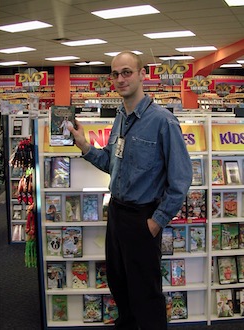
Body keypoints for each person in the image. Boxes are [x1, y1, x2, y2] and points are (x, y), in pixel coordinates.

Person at [69, 51, 192, 330]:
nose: (120, 79)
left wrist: (155, 222)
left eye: (126, 72)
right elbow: (112, 164)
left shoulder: (163, 121)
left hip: (142, 218)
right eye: (115, 74)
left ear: (142, 74)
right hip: (117, 214)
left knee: (146, 295)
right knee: (119, 284)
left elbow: (181, 179)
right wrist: (84, 145)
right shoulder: (121, 119)